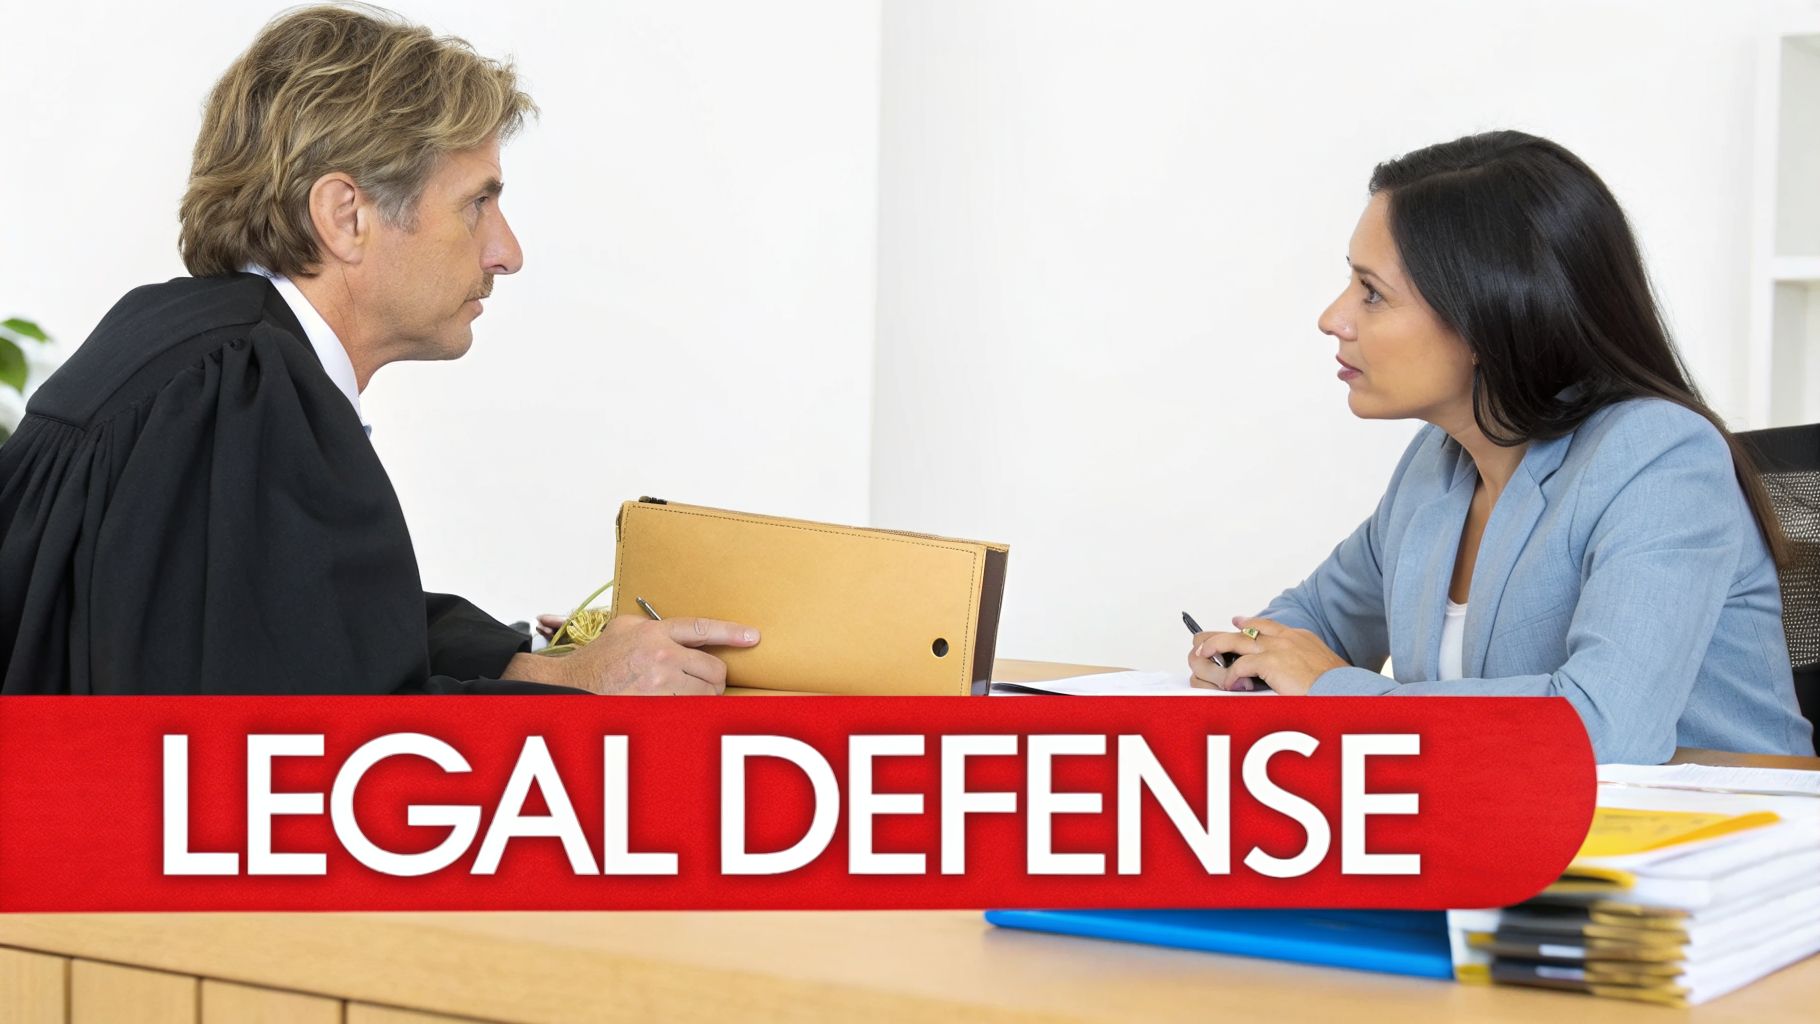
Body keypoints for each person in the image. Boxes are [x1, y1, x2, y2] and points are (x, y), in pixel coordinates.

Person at [0, 4, 757, 695]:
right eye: (477, 203)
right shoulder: (240, 389)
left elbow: (295, 626)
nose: (507, 252)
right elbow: (300, 750)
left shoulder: (186, 341)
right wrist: (586, 694)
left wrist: (522, 657)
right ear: (344, 215)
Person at [1187, 131, 1814, 763]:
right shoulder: (1438, 464)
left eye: (1371, 292)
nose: (1334, 317)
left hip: (1716, 837)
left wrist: (1327, 688)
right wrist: (1249, 658)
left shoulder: (1661, 458)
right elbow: (1309, 624)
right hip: (1521, 829)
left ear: (1489, 314)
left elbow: (1606, 729)